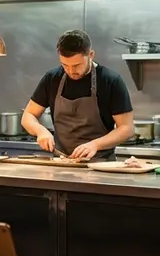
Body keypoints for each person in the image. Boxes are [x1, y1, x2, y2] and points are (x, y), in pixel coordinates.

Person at [21, 30, 135, 161]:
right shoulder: (52, 78)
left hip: (99, 163)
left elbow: (126, 128)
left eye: (76, 65)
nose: (71, 71)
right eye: (65, 65)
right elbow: (28, 116)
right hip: (61, 162)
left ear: (91, 55)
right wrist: (40, 131)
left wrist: (95, 145)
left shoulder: (110, 80)